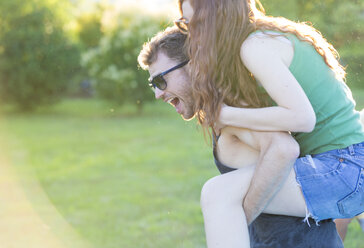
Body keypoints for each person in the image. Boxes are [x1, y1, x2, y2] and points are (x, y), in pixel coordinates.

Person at [175, 0, 364, 247]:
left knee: (219, 194)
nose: (191, 36)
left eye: (195, 25)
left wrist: (226, 115)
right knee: (226, 197)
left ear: (217, 20)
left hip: (346, 168)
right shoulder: (262, 36)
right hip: (343, 164)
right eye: (185, 24)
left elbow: (302, 118)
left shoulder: (254, 47)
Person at [138, 26, 344, 248]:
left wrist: (238, 215)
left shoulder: (234, 111)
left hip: (299, 242)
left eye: (160, 80)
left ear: (194, 66)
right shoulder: (225, 113)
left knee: (215, 193)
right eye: (153, 85)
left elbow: (283, 147)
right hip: (276, 241)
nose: (158, 94)